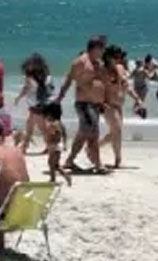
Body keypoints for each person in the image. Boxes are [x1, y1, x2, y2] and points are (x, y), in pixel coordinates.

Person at [57, 37, 108, 174]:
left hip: (95, 104)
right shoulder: (81, 62)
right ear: (95, 48)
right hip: (84, 104)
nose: (103, 51)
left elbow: (103, 82)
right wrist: (59, 98)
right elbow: (69, 80)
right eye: (102, 48)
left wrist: (103, 101)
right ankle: (98, 164)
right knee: (93, 134)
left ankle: (70, 160)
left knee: (84, 134)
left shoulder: (98, 63)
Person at [99, 46, 140, 169]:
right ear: (108, 57)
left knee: (115, 133)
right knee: (117, 131)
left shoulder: (120, 69)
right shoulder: (102, 71)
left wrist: (137, 99)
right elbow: (96, 88)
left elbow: (127, 86)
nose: (119, 59)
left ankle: (94, 147)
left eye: (120, 57)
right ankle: (118, 160)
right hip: (108, 105)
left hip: (119, 106)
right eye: (116, 57)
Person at [13, 53, 53, 153]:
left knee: (41, 127)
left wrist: (18, 98)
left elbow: (25, 89)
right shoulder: (48, 76)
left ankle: (51, 146)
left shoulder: (29, 78)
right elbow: (50, 89)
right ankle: (25, 147)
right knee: (30, 125)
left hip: (35, 105)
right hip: (44, 103)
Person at [42, 102, 71, 186]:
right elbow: (64, 134)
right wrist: (65, 144)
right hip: (55, 146)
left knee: (52, 163)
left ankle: (57, 178)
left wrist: (50, 134)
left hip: (55, 146)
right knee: (54, 164)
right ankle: (56, 178)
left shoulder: (54, 124)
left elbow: (54, 133)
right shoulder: (59, 123)